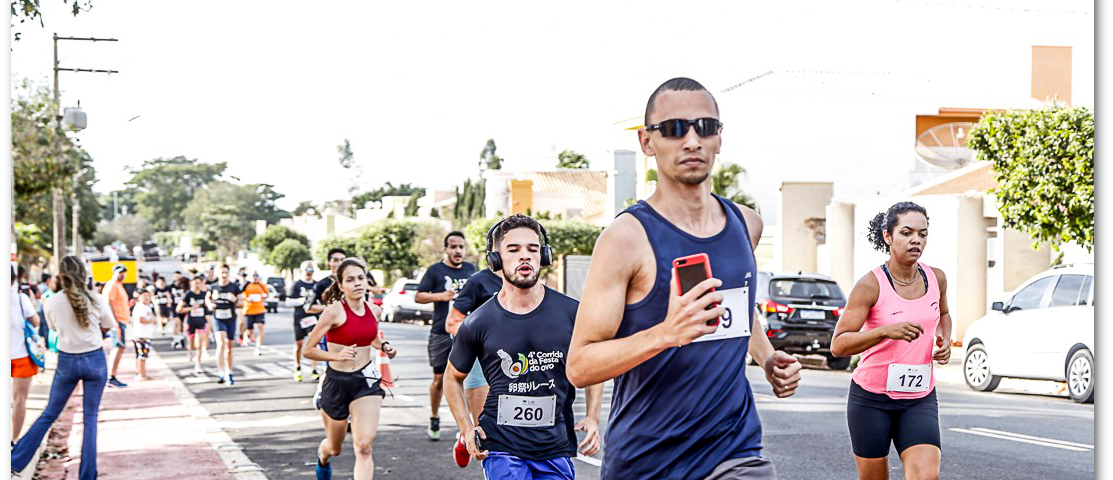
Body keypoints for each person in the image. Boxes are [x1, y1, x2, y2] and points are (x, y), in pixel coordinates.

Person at [567, 77, 802, 480]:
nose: (691, 140)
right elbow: (580, 365)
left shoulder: (746, 224)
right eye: (675, 129)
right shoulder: (626, 238)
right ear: (647, 142)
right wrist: (666, 333)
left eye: (704, 127)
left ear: (719, 138)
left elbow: (738, 309)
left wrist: (766, 358)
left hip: (734, 451)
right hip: (646, 460)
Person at [445, 214, 603, 480]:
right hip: (501, 445)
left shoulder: (571, 312)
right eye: (513, 249)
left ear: (544, 256)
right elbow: (452, 378)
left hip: (555, 445)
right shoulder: (478, 322)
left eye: (532, 249)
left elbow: (593, 365)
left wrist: (593, 417)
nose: (525, 256)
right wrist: (466, 427)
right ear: (495, 259)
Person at [831, 202, 950, 480]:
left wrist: (943, 339)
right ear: (888, 236)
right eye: (907, 232)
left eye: (922, 234)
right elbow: (838, 345)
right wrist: (884, 331)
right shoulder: (870, 285)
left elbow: (944, 314)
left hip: (919, 398)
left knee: (925, 476)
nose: (916, 240)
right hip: (871, 399)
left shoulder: (936, 278)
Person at [12, 256, 115, 479]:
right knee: (90, 418)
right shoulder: (96, 299)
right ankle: (87, 474)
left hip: (68, 360)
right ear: (83, 273)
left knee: (50, 413)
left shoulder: (52, 301)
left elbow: (54, 330)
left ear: (61, 274)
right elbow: (108, 325)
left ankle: (16, 459)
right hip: (95, 360)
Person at [304, 258, 397, 480]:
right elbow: (308, 350)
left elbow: (371, 336)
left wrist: (384, 346)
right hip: (336, 381)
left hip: (365, 381)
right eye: (350, 279)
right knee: (334, 448)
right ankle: (322, 456)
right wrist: (336, 355)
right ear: (341, 285)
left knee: (364, 446)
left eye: (361, 278)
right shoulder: (333, 312)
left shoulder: (374, 310)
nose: (357, 283)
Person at [415, 231, 477, 441]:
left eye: (461, 246)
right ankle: (434, 416)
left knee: (469, 378)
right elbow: (419, 296)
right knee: (440, 380)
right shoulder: (435, 271)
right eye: (453, 247)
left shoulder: (471, 270)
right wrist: (441, 296)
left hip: (466, 332)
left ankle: (469, 425)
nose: (458, 250)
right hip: (441, 332)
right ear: (446, 249)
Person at [445, 261, 503, 467]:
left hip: (516, 361)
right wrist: (489, 334)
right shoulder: (479, 281)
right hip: (481, 360)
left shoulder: (531, 284)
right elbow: (452, 323)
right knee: (484, 430)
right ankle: (465, 436)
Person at [12, 265, 41, 444]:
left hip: (21, 355)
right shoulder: (21, 299)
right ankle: (14, 440)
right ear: (14, 279)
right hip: (21, 355)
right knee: (19, 400)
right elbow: (36, 322)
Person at [207, 265, 241, 384]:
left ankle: (229, 371)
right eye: (222, 272)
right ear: (217, 273)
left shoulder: (234, 286)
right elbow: (208, 299)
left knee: (229, 347)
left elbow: (241, 302)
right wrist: (210, 305)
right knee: (221, 344)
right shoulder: (213, 287)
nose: (224, 275)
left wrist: (235, 300)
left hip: (230, 318)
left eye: (226, 272)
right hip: (218, 318)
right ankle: (220, 372)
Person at [290, 261, 322, 381]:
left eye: (311, 270)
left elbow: (321, 300)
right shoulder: (297, 285)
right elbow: (288, 301)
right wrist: (301, 301)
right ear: (301, 271)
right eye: (306, 270)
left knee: (314, 342)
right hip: (299, 318)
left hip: (313, 317)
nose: (309, 273)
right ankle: (297, 367)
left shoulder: (317, 285)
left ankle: (314, 369)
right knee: (299, 344)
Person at [102, 264, 131, 388]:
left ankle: (112, 375)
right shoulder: (112, 285)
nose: (122, 275)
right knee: (117, 347)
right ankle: (110, 376)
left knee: (120, 347)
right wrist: (114, 322)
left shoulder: (119, 285)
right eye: (120, 272)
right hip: (117, 321)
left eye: (124, 272)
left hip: (122, 320)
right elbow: (109, 303)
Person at [178, 276, 211, 374]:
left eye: (199, 282)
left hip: (201, 321)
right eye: (195, 282)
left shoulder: (204, 294)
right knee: (191, 344)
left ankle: (198, 364)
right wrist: (192, 308)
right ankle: (190, 352)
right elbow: (179, 309)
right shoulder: (188, 294)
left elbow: (208, 306)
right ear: (191, 283)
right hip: (191, 322)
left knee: (200, 344)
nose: (197, 285)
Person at [130, 286, 159, 381]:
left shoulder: (145, 307)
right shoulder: (140, 307)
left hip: (142, 334)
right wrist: (152, 320)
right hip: (142, 335)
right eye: (144, 296)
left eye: (148, 296)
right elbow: (141, 319)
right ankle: (141, 375)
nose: (147, 298)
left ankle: (140, 372)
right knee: (142, 356)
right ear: (139, 297)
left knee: (140, 355)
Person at [241, 273, 269, 356]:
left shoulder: (261, 285)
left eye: (256, 276)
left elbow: (266, 294)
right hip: (249, 310)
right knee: (250, 330)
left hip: (260, 310)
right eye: (253, 276)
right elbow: (240, 294)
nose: (255, 278)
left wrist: (263, 296)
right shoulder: (247, 285)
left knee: (261, 327)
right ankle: (245, 336)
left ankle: (258, 348)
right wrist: (247, 298)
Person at [170, 275, 190, 349]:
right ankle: (175, 339)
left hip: (184, 308)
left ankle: (180, 338)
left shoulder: (187, 290)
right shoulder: (171, 287)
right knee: (177, 322)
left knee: (182, 324)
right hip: (175, 307)